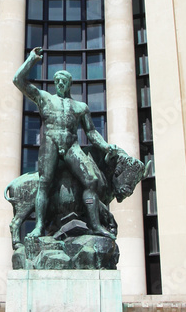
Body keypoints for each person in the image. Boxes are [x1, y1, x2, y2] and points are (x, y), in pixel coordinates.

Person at [13, 46, 117, 239]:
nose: (60, 83)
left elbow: (92, 132)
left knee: (92, 180)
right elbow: (17, 81)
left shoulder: (80, 107)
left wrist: (105, 146)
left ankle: (95, 225)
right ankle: (39, 227)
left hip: (71, 145)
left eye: (64, 81)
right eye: (58, 80)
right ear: (54, 83)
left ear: (69, 84)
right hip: (50, 143)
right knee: (44, 183)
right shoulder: (44, 98)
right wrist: (31, 60)